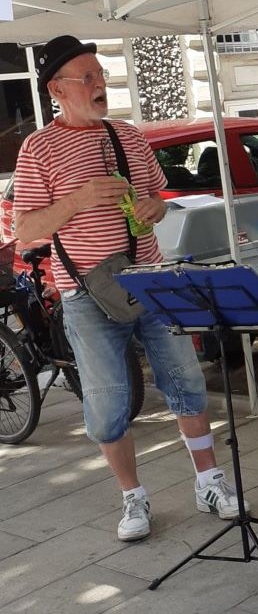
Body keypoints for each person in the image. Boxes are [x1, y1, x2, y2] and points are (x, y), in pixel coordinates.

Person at [13, 35, 245, 542]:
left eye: (101, 74)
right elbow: (26, 228)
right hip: (85, 295)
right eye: (88, 77)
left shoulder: (129, 135)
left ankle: (209, 480)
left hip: (152, 278)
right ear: (58, 89)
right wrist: (78, 199)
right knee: (107, 400)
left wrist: (155, 209)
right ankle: (132, 498)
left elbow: (155, 198)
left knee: (185, 379)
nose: (102, 84)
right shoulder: (38, 148)